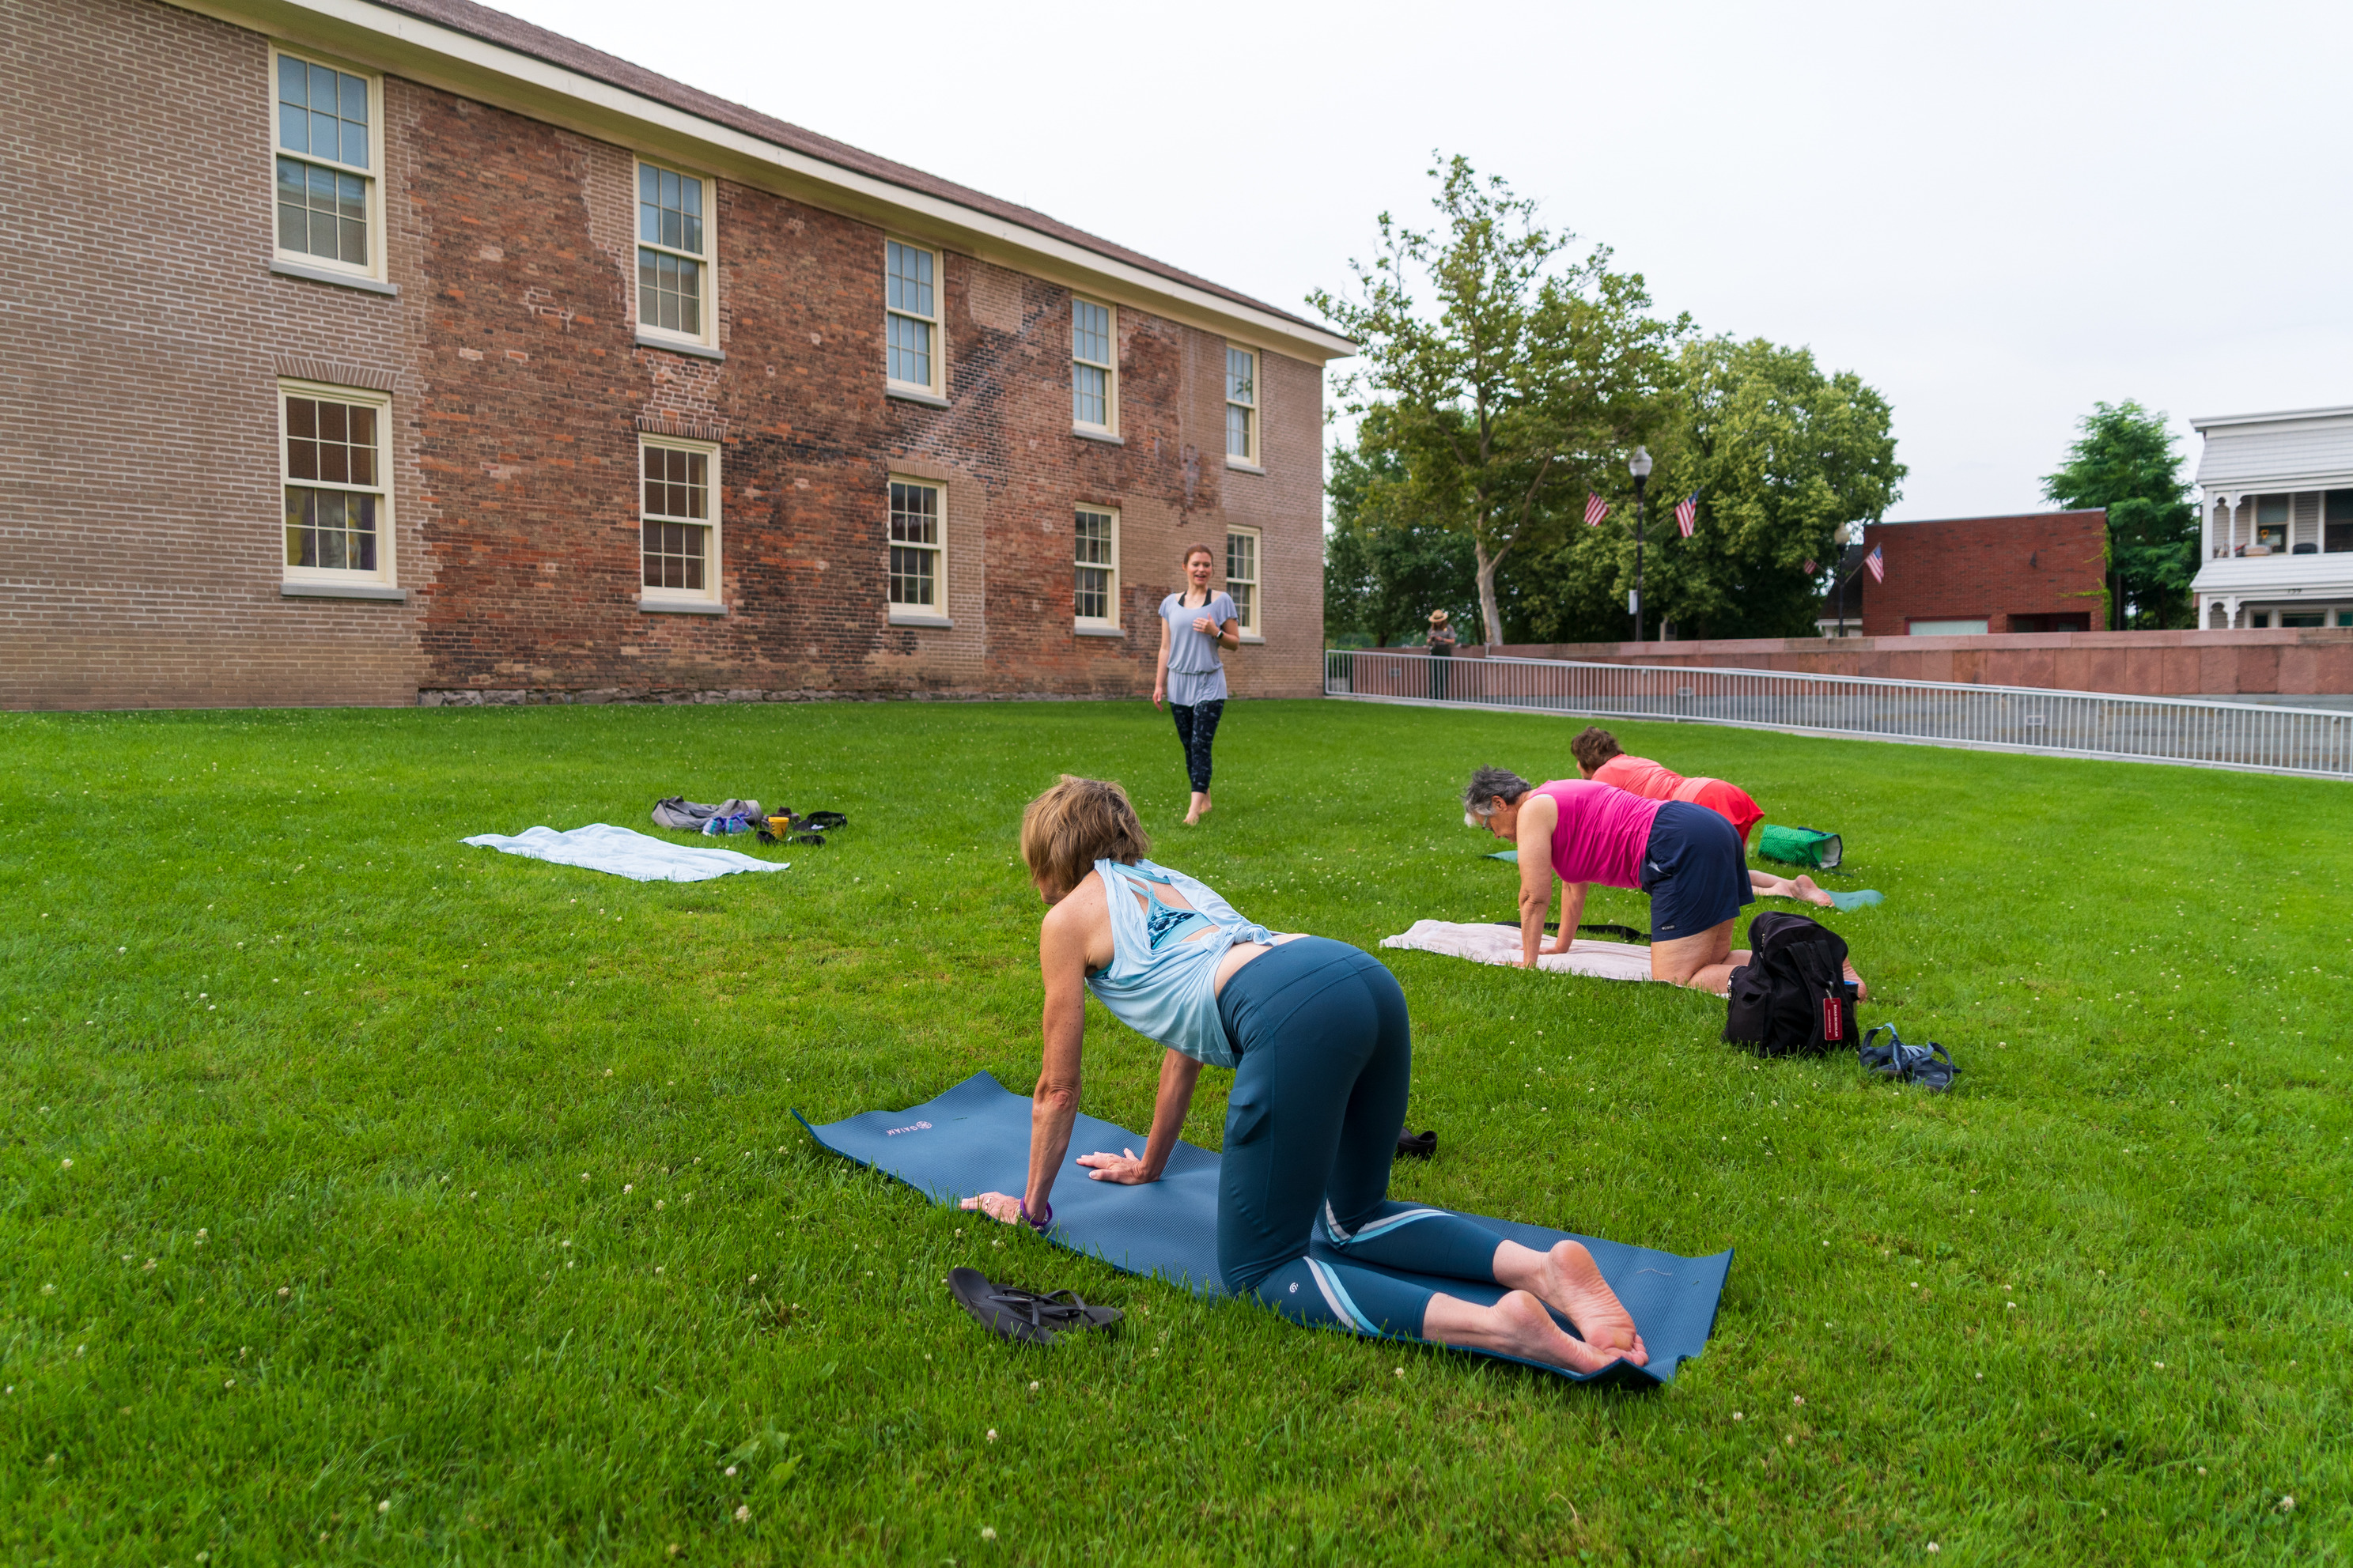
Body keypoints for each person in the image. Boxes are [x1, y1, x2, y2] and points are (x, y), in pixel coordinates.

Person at [961, 776, 1648, 1375]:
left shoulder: (1065, 918)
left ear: (1050, 854)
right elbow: (1185, 1041)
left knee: (1259, 1271)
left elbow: (1057, 1086)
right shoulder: (1172, 882)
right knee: (1353, 1217)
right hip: (1361, 980)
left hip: (1293, 1012)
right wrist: (1150, 1162)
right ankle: (1542, 1268)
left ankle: (1503, 1325)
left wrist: (1031, 1210)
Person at [1463, 765, 1868, 998]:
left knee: (1676, 978)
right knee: (1709, 962)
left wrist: (1528, 963)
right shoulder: (1558, 795)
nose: (1496, 835)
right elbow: (1572, 885)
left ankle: (1813, 979)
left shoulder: (1534, 810)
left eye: (1489, 825)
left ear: (1500, 803)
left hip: (1677, 843)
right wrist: (1560, 946)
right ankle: (1820, 961)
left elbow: (1534, 896)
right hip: (1704, 828)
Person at [1568, 726, 1830, 906]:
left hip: (1696, 805)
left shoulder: (1603, 776)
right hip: (1720, 791)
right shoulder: (1635, 761)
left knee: (1709, 883)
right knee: (1729, 870)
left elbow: (1597, 826)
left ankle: (1776, 890)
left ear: (1585, 761)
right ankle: (1793, 885)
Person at [1153, 545, 1239, 826]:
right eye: (1196, 564)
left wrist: (1216, 632)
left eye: (1207, 564)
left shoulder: (1221, 600)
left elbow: (1235, 643)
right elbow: (1165, 648)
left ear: (1212, 569)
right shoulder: (1169, 603)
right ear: (1185, 567)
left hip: (1209, 683)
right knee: (1190, 746)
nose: (1202, 569)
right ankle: (1207, 799)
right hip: (1178, 684)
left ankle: (1193, 811)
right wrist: (1159, 685)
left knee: (1201, 744)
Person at [1424, 608, 1457, 700]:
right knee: (1434, 674)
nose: (1438, 623)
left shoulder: (1449, 628)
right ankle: (1432, 695)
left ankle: (1441, 695)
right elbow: (1427, 641)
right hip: (1435, 650)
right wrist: (1431, 640)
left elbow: (1453, 641)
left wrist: (1441, 639)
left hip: (1445, 651)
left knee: (1443, 674)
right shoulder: (1432, 629)